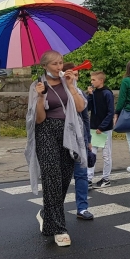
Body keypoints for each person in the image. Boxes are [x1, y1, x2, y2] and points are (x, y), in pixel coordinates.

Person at [25, 50, 87, 247]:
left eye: (60, 63)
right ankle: (60, 228)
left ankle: (46, 214)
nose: (59, 67)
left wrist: (70, 86)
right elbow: (39, 119)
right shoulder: (37, 85)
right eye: (54, 64)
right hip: (46, 132)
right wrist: (41, 97)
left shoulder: (69, 83)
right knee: (51, 176)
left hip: (68, 132)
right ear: (44, 66)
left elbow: (79, 108)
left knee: (63, 179)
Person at [63, 62, 93, 220]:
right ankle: (55, 209)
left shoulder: (78, 92)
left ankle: (82, 208)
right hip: (62, 139)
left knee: (81, 175)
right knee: (61, 177)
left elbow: (84, 116)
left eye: (76, 75)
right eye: (71, 74)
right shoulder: (57, 91)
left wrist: (88, 140)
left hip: (79, 139)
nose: (74, 78)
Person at [87, 71, 115, 188]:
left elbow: (110, 112)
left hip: (105, 129)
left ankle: (106, 178)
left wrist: (102, 127)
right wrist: (89, 95)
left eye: (94, 80)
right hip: (94, 127)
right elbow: (88, 108)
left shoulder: (107, 93)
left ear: (101, 80)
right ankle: (89, 178)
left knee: (106, 154)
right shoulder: (94, 93)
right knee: (92, 154)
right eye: (91, 80)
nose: (91, 82)